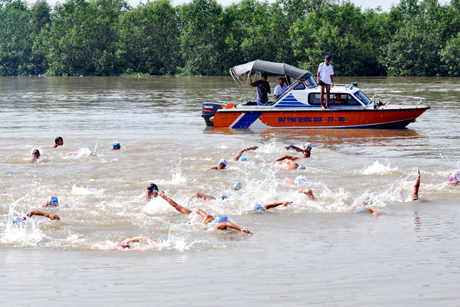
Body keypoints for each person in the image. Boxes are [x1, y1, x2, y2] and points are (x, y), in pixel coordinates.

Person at [159, 191, 252, 234]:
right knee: (177, 208)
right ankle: (163, 196)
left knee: (177, 206)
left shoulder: (208, 217)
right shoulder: (213, 227)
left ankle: (163, 196)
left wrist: (194, 214)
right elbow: (226, 223)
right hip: (189, 226)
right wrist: (240, 228)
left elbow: (199, 210)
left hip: (191, 221)